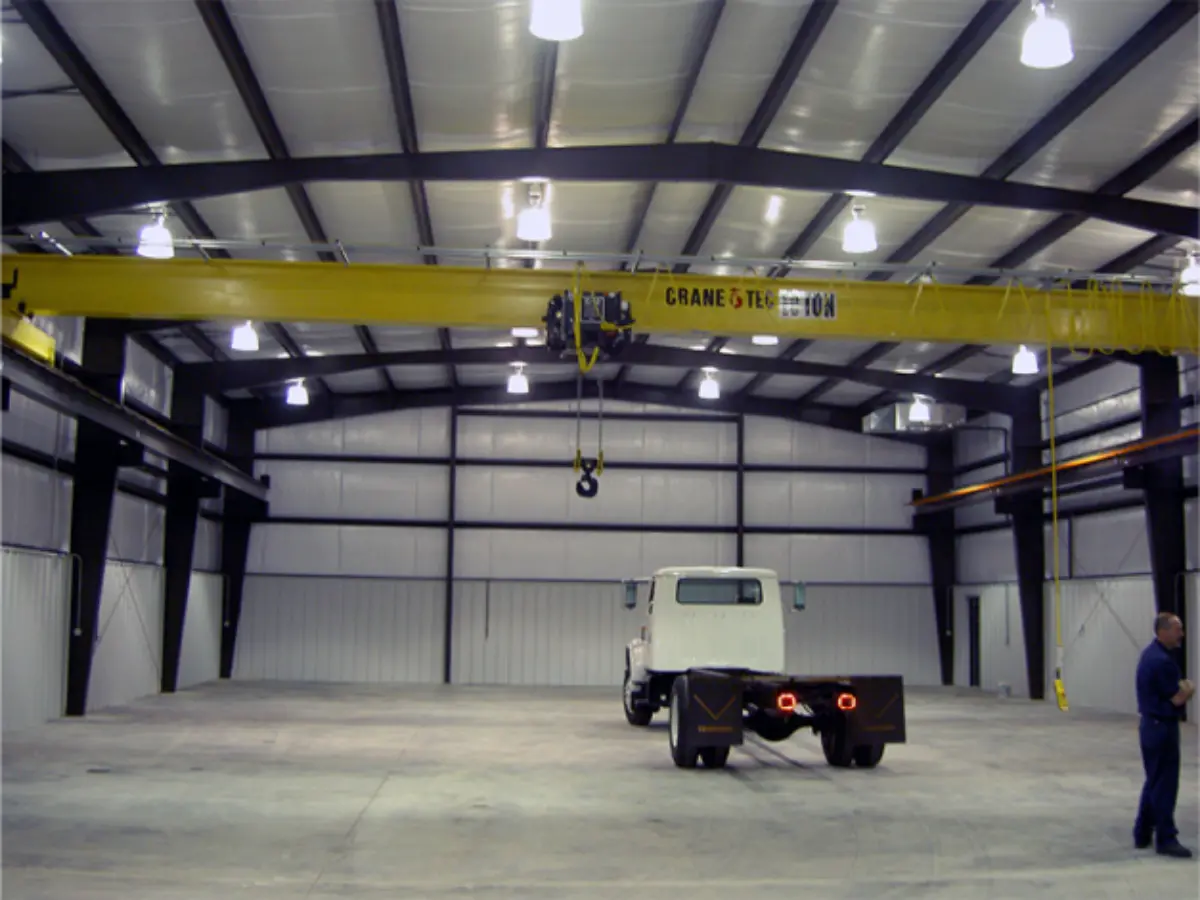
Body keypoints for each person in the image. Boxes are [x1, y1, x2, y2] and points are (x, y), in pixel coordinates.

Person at [1133, 611, 1194, 858]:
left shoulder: (1150, 654)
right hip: (1162, 728)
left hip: (1150, 726)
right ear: (1163, 631)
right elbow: (1176, 698)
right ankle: (1166, 839)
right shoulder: (1163, 662)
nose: (1181, 634)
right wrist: (1188, 692)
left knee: (1154, 780)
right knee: (1165, 785)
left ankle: (1142, 832)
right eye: (1177, 629)